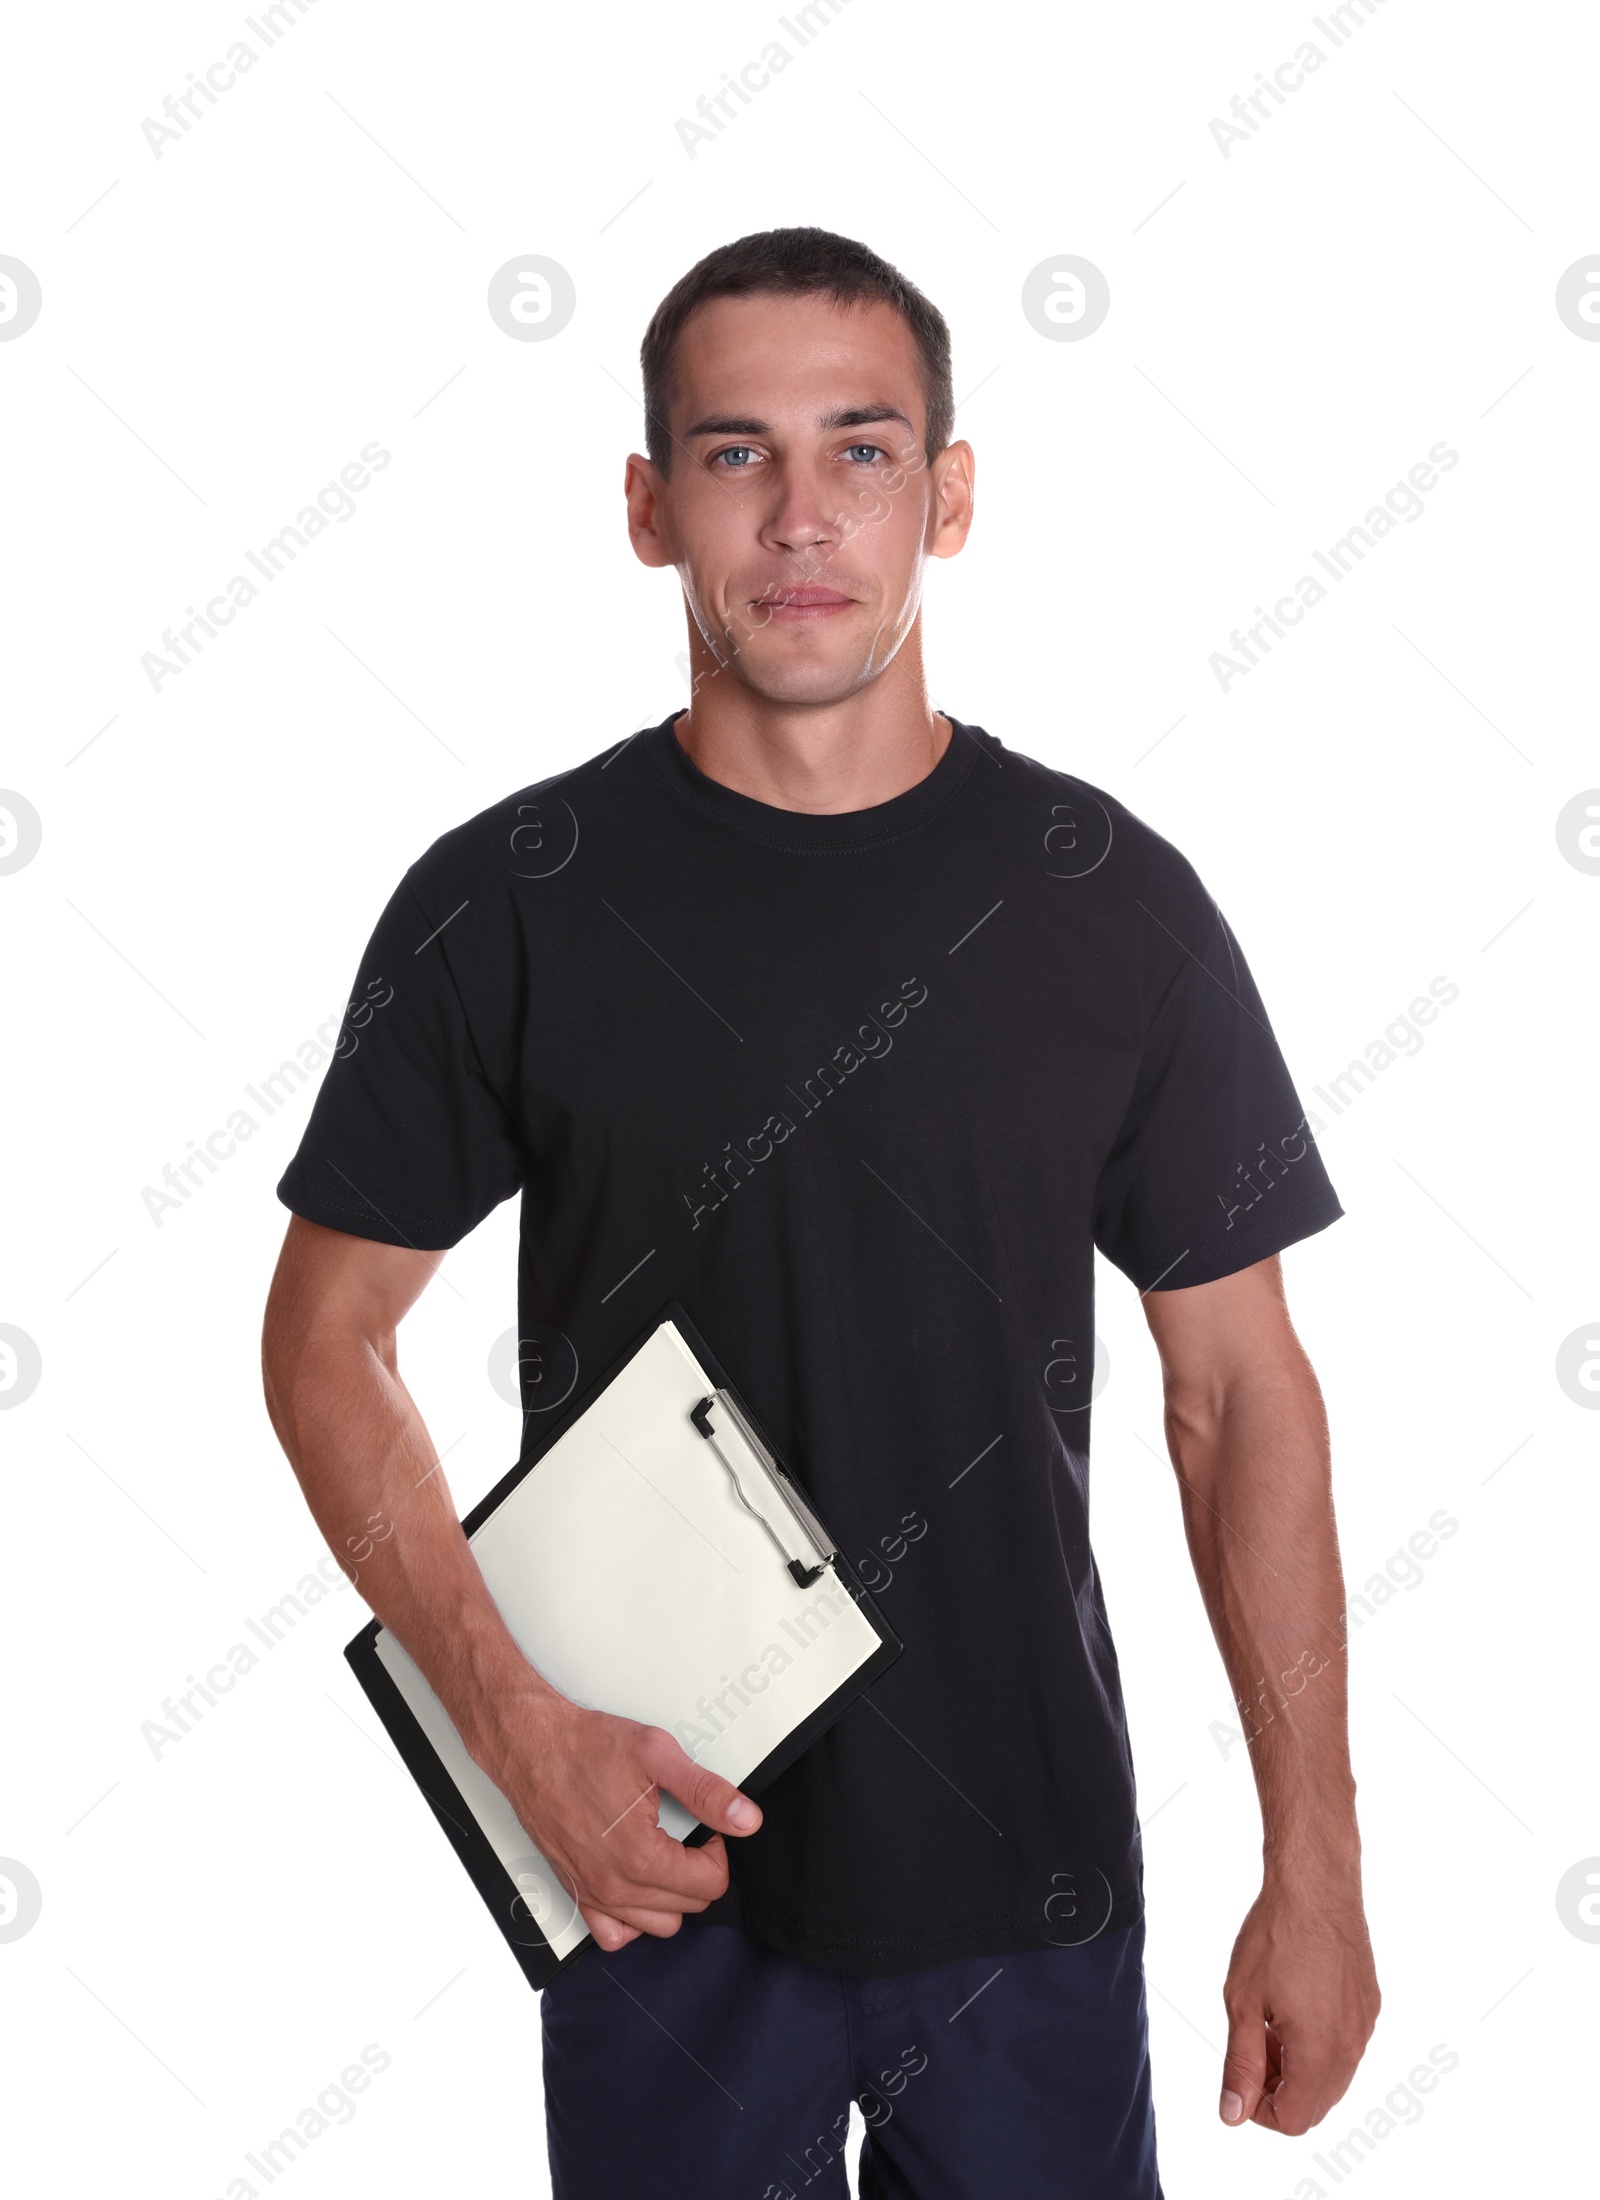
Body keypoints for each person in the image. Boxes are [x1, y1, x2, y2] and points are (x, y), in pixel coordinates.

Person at [262, 227, 1379, 2199]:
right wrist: (510, 1721)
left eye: (859, 453)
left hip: (1026, 1877)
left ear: (947, 494)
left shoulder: (1100, 900)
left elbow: (1236, 1396)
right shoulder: (507, 900)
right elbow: (323, 1336)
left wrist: (1314, 1862)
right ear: (643, 504)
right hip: (655, 1877)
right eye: (732, 453)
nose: (799, 516)